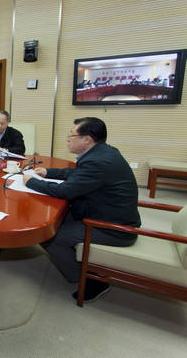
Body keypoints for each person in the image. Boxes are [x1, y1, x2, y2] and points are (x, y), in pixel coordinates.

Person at [23, 117, 140, 302]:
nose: (68, 138)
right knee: (55, 218)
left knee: (50, 235)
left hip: (113, 228)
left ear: (87, 139)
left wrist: (31, 182)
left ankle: (90, 280)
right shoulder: (102, 152)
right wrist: (49, 172)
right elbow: (80, 174)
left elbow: (65, 191)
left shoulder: (98, 162)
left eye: (72, 135)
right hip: (103, 211)